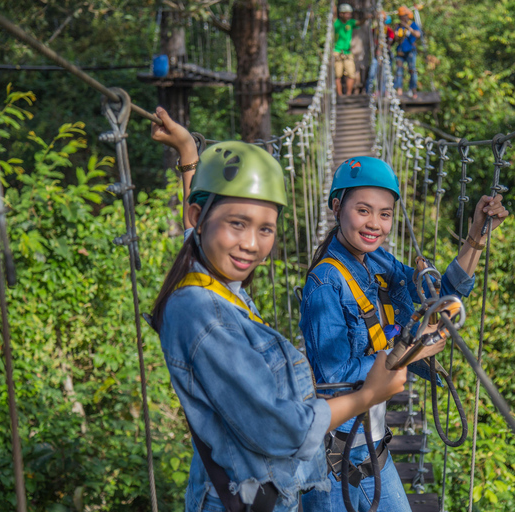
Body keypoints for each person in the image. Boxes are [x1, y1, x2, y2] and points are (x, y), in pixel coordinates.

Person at [149, 109, 408, 512]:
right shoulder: (202, 311)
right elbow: (286, 429)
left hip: (266, 494)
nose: (251, 244)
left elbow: (194, 235)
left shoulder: (218, 288)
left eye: (265, 229)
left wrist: (188, 155)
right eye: (238, 224)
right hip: (242, 498)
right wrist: (370, 394)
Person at [299, 157, 509, 511]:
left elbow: (440, 296)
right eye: (363, 211)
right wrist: (411, 349)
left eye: (385, 214)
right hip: (342, 453)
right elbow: (335, 377)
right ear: (336, 207)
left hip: (366, 442)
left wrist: (476, 235)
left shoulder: (380, 261)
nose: (375, 224)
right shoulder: (324, 283)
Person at [393, 6, 421, 98]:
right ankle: (399, 89)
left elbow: (418, 35)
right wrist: (397, 32)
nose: (402, 18)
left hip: (410, 51)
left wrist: (408, 28)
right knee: (399, 71)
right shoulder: (398, 26)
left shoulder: (412, 24)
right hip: (400, 51)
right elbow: (396, 39)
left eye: (403, 16)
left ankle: (413, 90)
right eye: (400, 17)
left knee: (412, 70)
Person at [334, 3, 359, 96]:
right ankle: (340, 94)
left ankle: (348, 94)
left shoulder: (351, 22)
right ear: (341, 14)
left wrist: (367, 17)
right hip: (337, 52)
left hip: (348, 52)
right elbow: (333, 14)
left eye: (350, 14)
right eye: (347, 14)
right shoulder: (336, 23)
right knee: (337, 75)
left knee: (351, 74)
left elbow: (360, 23)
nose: (349, 16)